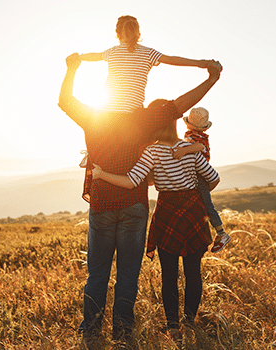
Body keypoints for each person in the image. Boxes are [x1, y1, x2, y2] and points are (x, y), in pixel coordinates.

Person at [58, 52, 222, 346]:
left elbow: (65, 101)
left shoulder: (93, 116)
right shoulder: (143, 118)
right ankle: (123, 332)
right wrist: (210, 78)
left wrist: (72, 69)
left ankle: (91, 331)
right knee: (128, 275)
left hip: (102, 205)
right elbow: (179, 106)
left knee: (97, 274)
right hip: (135, 206)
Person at [91, 116, 220, 342]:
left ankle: (173, 328)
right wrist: (194, 192)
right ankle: (189, 323)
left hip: (167, 213)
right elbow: (213, 178)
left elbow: (132, 181)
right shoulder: (189, 148)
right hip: (193, 212)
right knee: (193, 272)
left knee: (169, 275)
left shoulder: (152, 152)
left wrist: (102, 175)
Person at [79, 15, 211, 113]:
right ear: (138, 33)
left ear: (118, 33)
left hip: (107, 111)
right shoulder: (148, 53)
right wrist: (200, 63)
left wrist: (78, 57)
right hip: (133, 113)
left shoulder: (112, 52)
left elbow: (94, 56)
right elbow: (172, 59)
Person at [172, 107, 231, 252]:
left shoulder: (197, 138)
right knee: (201, 205)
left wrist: (183, 151)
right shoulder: (193, 135)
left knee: (206, 205)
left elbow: (198, 147)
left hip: (200, 175)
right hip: (197, 174)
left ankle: (221, 233)